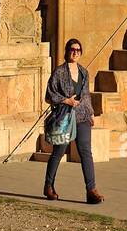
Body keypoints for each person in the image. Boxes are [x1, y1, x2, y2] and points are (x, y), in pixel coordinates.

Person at [43, 39, 103, 204]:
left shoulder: (84, 72)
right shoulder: (59, 72)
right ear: (67, 51)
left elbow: (86, 96)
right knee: (58, 152)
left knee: (86, 152)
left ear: (81, 52)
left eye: (78, 50)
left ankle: (91, 190)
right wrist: (65, 100)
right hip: (64, 118)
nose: (75, 52)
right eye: (72, 49)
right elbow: (49, 96)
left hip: (82, 117)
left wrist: (90, 113)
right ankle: (48, 186)